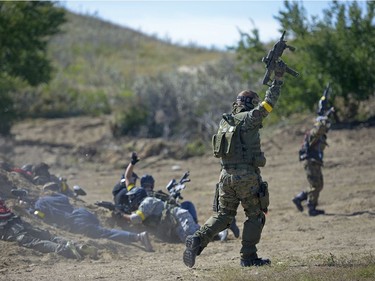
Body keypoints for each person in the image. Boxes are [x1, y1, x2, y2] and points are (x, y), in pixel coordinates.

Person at [182, 60, 288, 268]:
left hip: (225, 177)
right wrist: (278, 78)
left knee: (223, 216)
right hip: (246, 177)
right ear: (250, 104)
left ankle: (197, 240)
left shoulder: (225, 122)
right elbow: (269, 103)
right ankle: (248, 257)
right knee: (255, 216)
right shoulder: (249, 119)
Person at [33, 192, 153, 252]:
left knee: (105, 233)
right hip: (82, 212)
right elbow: (66, 199)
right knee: (102, 230)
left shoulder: (39, 203)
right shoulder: (57, 196)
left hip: (76, 221)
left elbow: (40, 217)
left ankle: (137, 237)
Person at [118, 186, 228, 243]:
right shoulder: (144, 204)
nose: (130, 200)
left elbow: (137, 218)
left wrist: (121, 215)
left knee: (194, 234)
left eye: (132, 197)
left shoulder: (147, 201)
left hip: (179, 216)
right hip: (174, 224)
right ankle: (217, 235)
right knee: (191, 240)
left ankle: (220, 230)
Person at [0, 198, 94, 260]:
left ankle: (66, 250)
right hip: (18, 222)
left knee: (35, 242)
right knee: (48, 237)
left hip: (9, 229)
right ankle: (78, 246)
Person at [293, 107, 335, 216]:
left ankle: (300, 198)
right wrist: (323, 118)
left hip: (315, 162)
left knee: (318, 185)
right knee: (316, 185)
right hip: (310, 162)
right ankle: (311, 208)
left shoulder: (319, 134)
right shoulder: (314, 133)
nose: (327, 126)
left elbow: (322, 129)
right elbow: (319, 129)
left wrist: (327, 116)